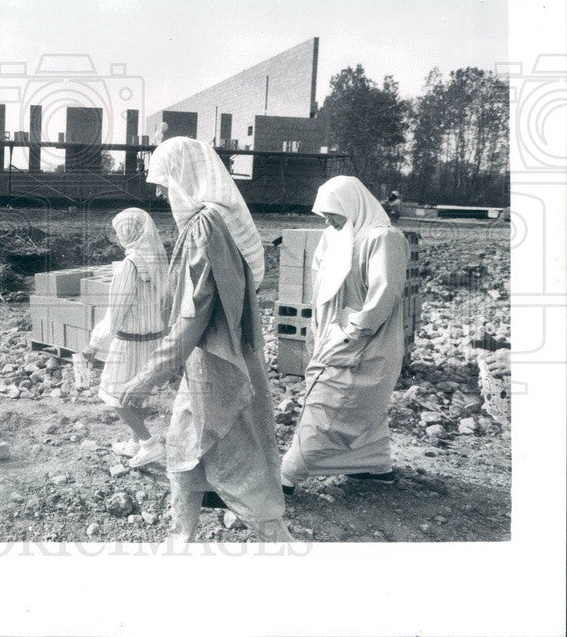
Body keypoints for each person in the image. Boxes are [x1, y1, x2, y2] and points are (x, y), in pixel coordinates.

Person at [119, 137, 291, 543]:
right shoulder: (219, 222)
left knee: (240, 466)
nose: (160, 193)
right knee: (181, 453)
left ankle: (281, 545)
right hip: (211, 363)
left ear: (183, 177)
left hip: (219, 369)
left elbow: (192, 318)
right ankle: (180, 539)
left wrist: (146, 375)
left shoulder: (204, 228)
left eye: (163, 182)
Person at [280, 175, 409, 493]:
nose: (328, 220)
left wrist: (352, 334)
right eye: (324, 215)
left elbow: (384, 293)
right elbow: (320, 288)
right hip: (334, 337)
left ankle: (287, 474)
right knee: (358, 408)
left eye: (333, 213)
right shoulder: (335, 235)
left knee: (330, 405)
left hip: (366, 341)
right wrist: (319, 333)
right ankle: (373, 465)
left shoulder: (383, 238)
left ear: (353, 204)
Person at [81, 209, 170, 468]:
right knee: (136, 394)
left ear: (124, 234)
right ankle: (134, 443)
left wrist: (93, 344)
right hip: (152, 340)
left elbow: (115, 313)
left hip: (129, 342)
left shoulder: (129, 266)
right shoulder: (157, 262)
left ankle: (148, 444)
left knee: (116, 396)